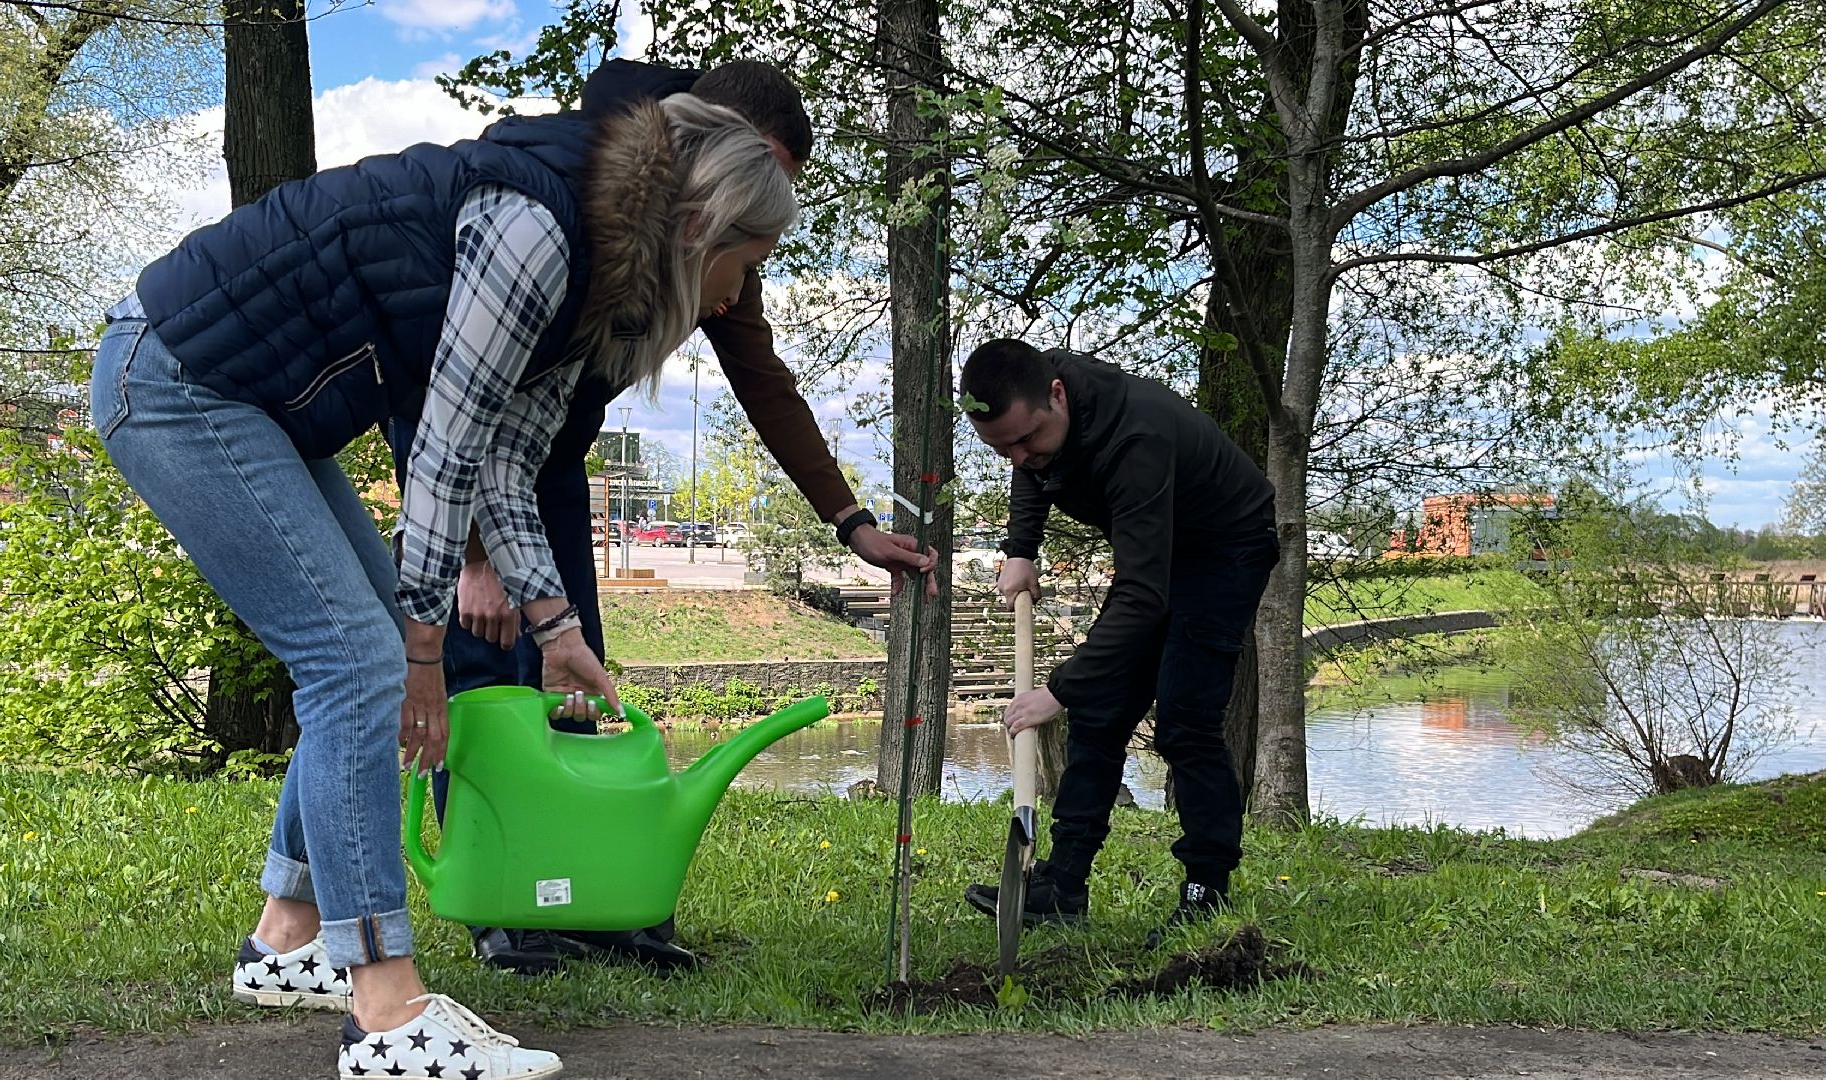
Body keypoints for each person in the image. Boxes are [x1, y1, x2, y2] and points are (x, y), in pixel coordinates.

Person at [91, 87, 796, 1079]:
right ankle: (385, 1014)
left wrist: (556, 628)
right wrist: (425, 652)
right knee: (359, 664)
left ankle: (288, 938)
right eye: (741, 265)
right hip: (174, 377)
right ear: (697, 228)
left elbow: (507, 462)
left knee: (360, 658)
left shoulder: (598, 275)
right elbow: (442, 455)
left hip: (242, 401)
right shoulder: (537, 228)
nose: (730, 297)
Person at [387, 58, 939, 978]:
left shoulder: (718, 242)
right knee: (482, 682)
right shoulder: (578, 189)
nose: (758, 219)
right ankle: (503, 905)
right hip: (463, 451)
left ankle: (594, 896)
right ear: (708, 138)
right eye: (757, 179)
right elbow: (446, 389)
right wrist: (475, 553)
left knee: (573, 679)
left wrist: (850, 521)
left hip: (552, 459)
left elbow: (763, 378)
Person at [955, 339, 1279, 947]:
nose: (1021, 456)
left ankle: (1206, 891)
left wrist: (1059, 689)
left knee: (1185, 718)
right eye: (1003, 447)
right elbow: (1033, 472)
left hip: (1225, 549)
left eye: (1028, 438)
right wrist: (1021, 547)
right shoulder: (1039, 408)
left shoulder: (1137, 439)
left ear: (1056, 393)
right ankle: (1062, 886)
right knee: (1101, 716)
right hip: (1160, 551)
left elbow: (1142, 597)